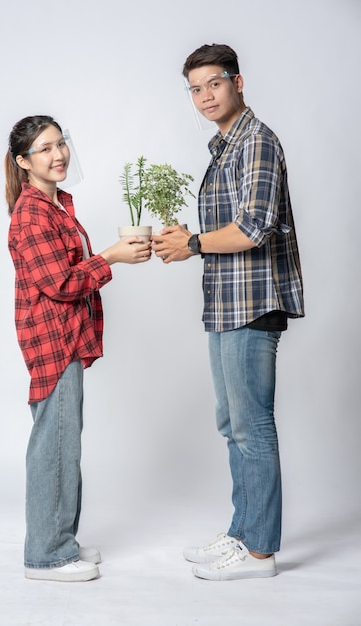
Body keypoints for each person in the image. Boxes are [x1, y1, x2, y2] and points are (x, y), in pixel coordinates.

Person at [151, 44, 304, 581]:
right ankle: (243, 531)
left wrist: (191, 243)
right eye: (194, 88)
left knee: (252, 425)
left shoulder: (257, 142)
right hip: (225, 304)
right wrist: (189, 241)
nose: (204, 96)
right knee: (232, 423)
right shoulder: (224, 147)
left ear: (238, 83)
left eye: (213, 84)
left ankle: (260, 550)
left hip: (253, 301)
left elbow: (254, 228)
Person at [6, 115, 151, 582]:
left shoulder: (58, 204)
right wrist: (111, 255)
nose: (59, 154)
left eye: (61, 144)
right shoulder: (32, 212)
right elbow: (61, 283)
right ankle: (46, 556)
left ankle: (60, 539)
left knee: (65, 442)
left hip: (66, 336)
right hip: (53, 340)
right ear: (24, 162)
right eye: (45, 149)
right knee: (54, 444)